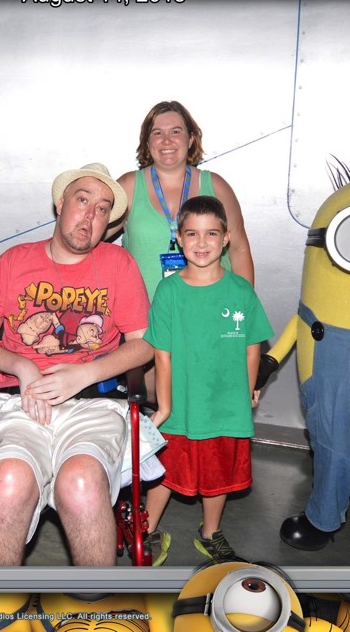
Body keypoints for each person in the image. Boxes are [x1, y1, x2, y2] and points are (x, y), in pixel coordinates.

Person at [0, 163, 153, 566]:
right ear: (60, 202)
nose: (91, 216)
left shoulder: (119, 266)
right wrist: (21, 365)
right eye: (83, 201)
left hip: (94, 402)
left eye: (102, 209)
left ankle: (98, 616)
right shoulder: (14, 261)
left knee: (81, 483)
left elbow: (143, 346)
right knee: (7, 484)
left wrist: (85, 372)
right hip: (20, 400)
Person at [142, 196, 273, 564]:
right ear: (180, 239)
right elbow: (161, 355)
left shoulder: (241, 292)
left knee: (218, 475)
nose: (202, 243)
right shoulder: (168, 292)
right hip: (180, 406)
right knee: (166, 473)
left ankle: (210, 533)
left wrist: (246, 393)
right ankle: (146, 530)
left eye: (211, 233)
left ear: (227, 238)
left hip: (224, 407)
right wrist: (164, 407)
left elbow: (252, 349)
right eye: (193, 234)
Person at [114, 100, 255, 302]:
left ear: (190, 139)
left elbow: (239, 249)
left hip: (212, 313)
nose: (166, 140)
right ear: (147, 142)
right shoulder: (128, 187)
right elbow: (91, 235)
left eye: (176, 131)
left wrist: (244, 309)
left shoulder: (216, 186)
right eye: (157, 133)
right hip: (147, 322)